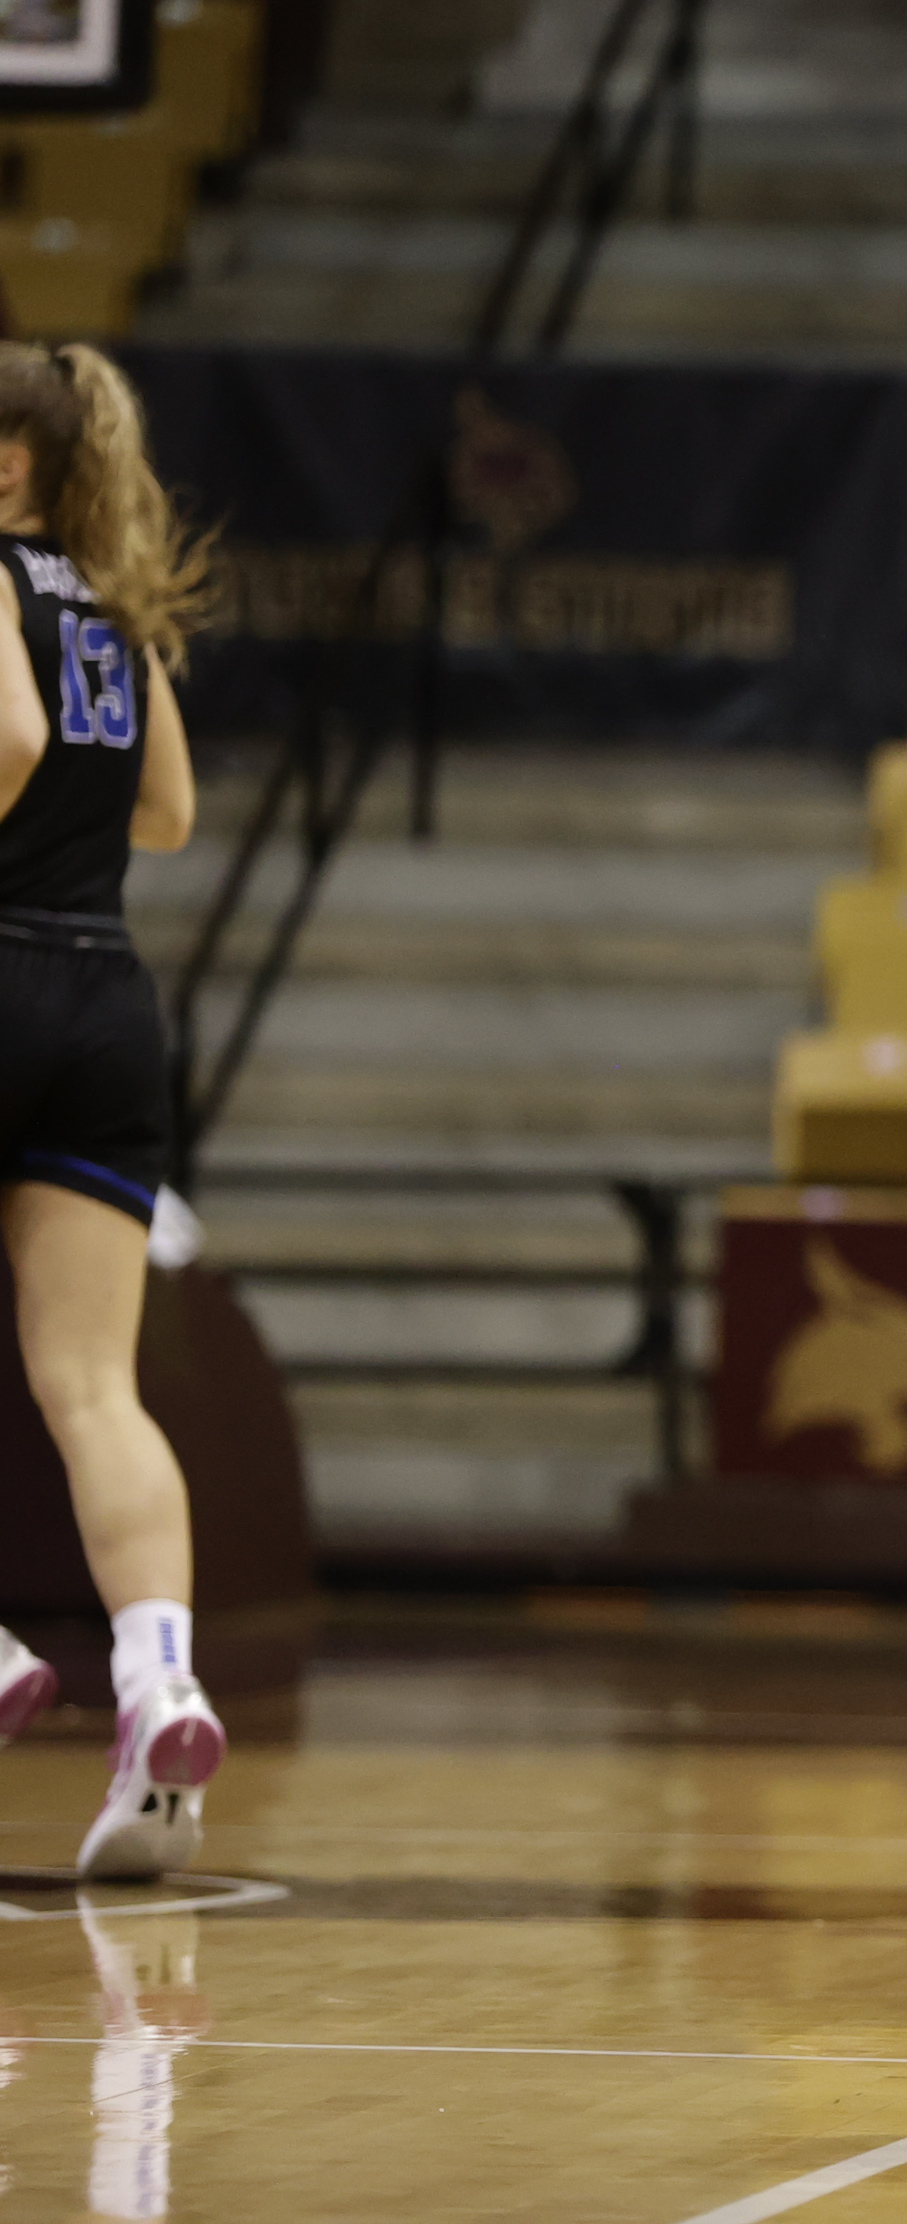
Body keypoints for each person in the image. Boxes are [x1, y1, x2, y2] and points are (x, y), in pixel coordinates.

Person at [0, 341, 227, 1883]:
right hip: (103, 995)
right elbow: (168, 815)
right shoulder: (112, 603)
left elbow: (6, 742)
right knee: (95, 1386)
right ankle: (159, 1682)